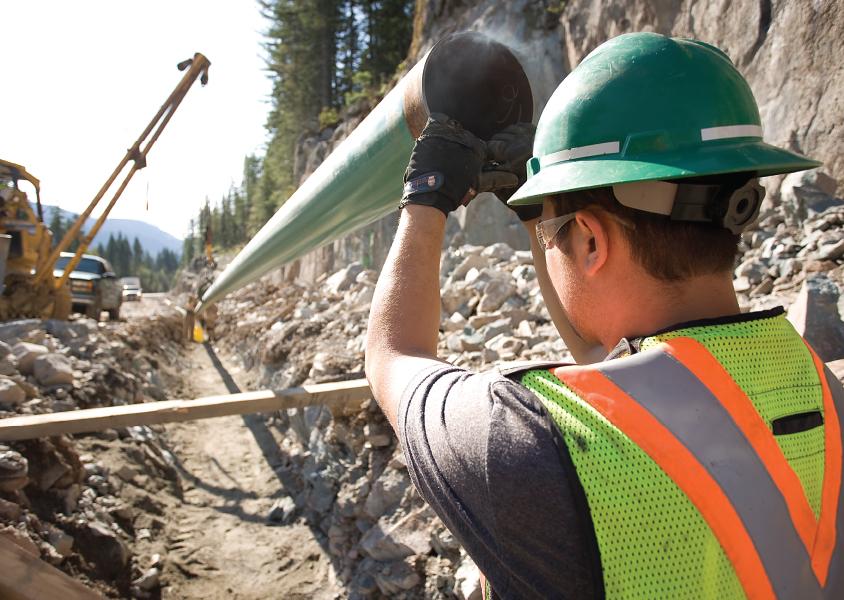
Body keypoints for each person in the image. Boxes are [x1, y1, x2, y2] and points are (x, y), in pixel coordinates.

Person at [365, 32, 844, 599]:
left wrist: (427, 193)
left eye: (551, 235)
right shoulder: (821, 386)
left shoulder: (526, 444)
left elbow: (393, 356)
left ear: (591, 242)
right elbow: (611, 359)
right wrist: (541, 210)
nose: (545, 241)